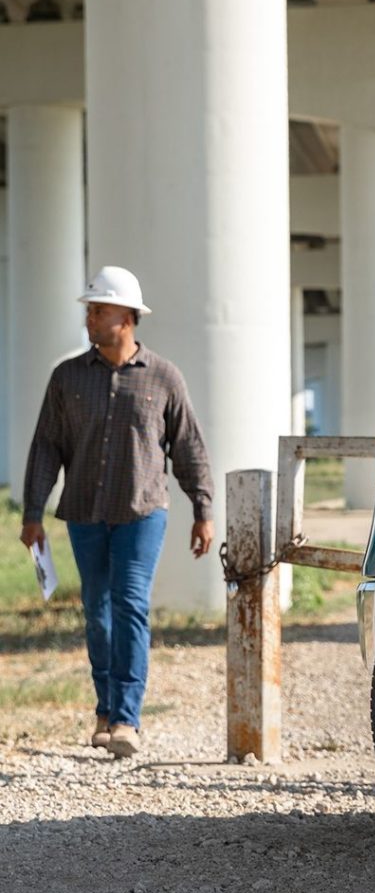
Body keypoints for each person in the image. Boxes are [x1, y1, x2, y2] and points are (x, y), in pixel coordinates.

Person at [19, 266, 214, 759]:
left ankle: (127, 718)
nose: (89, 317)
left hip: (142, 513)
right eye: (88, 309)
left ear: (126, 318)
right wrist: (33, 513)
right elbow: (47, 447)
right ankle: (104, 709)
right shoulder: (66, 378)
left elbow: (187, 446)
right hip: (84, 512)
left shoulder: (164, 377)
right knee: (97, 614)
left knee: (129, 605)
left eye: (98, 309)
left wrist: (203, 508)